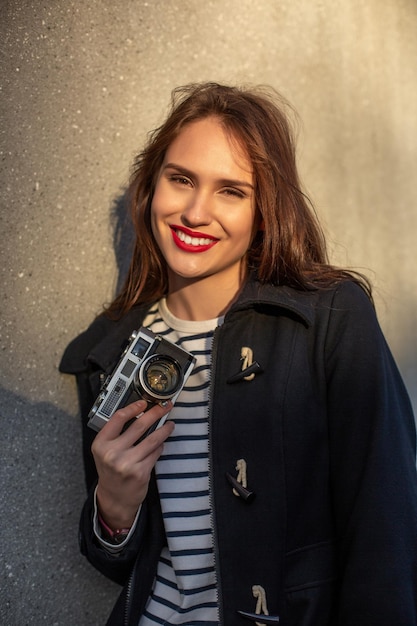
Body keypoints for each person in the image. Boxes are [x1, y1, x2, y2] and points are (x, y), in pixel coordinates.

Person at [59, 82, 417, 626]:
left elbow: (386, 532)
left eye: (231, 191)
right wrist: (113, 507)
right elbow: (121, 564)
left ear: (265, 210)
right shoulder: (111, 351)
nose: (196, 212)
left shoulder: (326, 319)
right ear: (152, 185)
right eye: (180, 179)